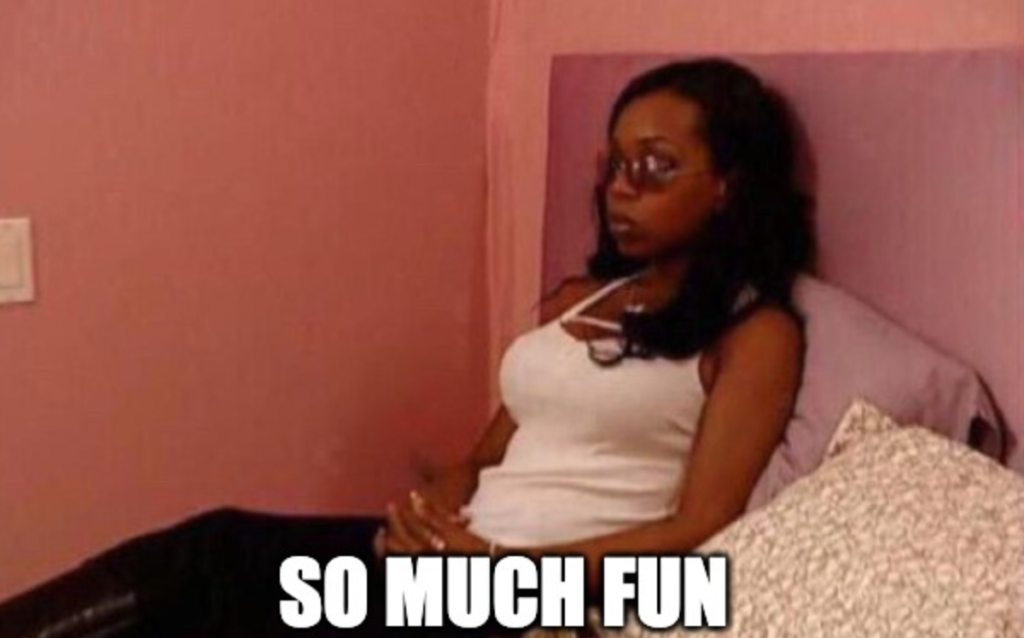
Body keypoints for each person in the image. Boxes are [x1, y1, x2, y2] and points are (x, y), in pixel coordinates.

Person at [0, 57, 813, 638]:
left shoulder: (755, 333)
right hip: (454, 564)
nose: (621, 190)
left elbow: (699, 526)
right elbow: (489, 455)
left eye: (656, 168)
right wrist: (432, 512)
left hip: (542, 590)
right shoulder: (583, 298)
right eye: (615, 165)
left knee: (222, 576)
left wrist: (507, 571)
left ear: (728, 185)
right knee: (215, 550)